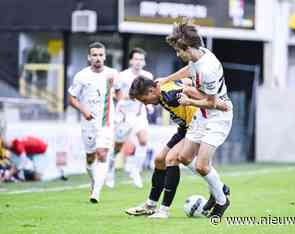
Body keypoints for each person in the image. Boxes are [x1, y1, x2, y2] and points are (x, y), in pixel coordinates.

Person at [159, 17, 233, 218]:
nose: (177, 53)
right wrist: (166, 79)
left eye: (178, 50)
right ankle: (219, 187)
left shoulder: (208, 68)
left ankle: (221, 201)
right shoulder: (199, 56)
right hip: (203, 115)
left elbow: (212, 102)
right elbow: (189, 70)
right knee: (183, 157)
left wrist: (188, 101)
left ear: (188, 48)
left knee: (201, 166)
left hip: (218, 117)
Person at [125, 76, 228, 218]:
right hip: (184, 128)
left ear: (151, 91)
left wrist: (217, 103)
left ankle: (164, 211)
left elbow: (188, 87)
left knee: (172, 159)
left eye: (144, 100)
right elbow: (186, 80)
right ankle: (150, 205)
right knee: (159, 160)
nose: (145, 104)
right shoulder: (161, 89)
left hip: (196, 125)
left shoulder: (168, 93)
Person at [68, 41, 119, 203]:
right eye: (95, 55)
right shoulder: (81, 76)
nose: (98, 58)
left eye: (101, 55)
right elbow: (71, 98)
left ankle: (96, 192)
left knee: (102, 154)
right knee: (90, 158)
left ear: (105, 57)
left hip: (106, 122)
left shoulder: (112, 74)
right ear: (89, 57)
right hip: (88, 123)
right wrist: (84, 111)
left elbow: (119, 94)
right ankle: (94, 181)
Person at [110, 48, 153, 188]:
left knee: (144, 141)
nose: (138, 62)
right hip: (123, 115)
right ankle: (109, 171)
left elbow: (150, 94)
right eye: (136, 59)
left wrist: (149, 105)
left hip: (139, 114)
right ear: (130, 61)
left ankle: (135, 170)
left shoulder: (148, 76)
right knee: (117, 147)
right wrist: (132, 96)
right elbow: (115, 95)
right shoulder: (122, 76)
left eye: (141, 59)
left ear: (144, 62)